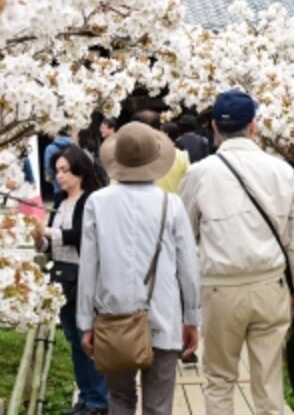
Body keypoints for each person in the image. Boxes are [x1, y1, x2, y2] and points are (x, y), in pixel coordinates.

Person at [178, 89, 294, 415]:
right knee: (268, 382)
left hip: (220, 287)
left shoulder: (200, 174)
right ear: (254, 126)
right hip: (271, 286)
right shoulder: (281, 171)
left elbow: (184, 238)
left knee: (219, 379)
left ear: (213, 126)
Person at [77, 122, 201, 415]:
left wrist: (85, 322)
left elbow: (88, 268)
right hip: (164, 316)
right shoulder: (171, 205)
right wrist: (192, 317)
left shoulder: (97, 202)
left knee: (119, 400)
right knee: (159, 406)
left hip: (113, 318)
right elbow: (188, 268)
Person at [32, 145, 108, 415]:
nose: (60, 176)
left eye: (65, 170)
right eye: (57, 171)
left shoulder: (90, 200)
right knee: (75, 340)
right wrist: (39, 238)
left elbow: (83, 237)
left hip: (85, 276)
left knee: (89, 339)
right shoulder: (61, 203)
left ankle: (99, 399)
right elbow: (51, 247)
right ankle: (86, 396)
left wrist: (51, 232)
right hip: (63, 276)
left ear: (80, 170)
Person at [132, 109, 189, 193]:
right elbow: (187, 189)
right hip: (170, 205)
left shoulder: (123, 159)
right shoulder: (181, 157)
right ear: (160, 129)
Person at [44, 129, 75, 226]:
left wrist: (49, 177)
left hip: (59, 185)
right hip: (74, 184)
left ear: (56, 131)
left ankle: (51, 231)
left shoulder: (50, 148)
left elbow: (49, 169)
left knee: (57, 208)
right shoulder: (75, 145)